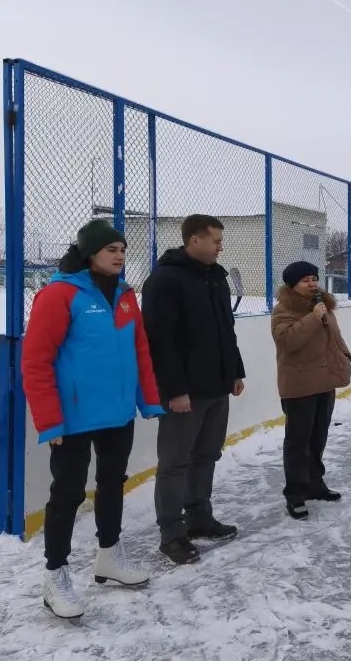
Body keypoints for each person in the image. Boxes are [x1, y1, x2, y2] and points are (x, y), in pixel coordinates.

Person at [21, 219, 164, 620]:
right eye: (110, 250)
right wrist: (50, 421)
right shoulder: (60, 294)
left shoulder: (124, 296)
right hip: (74, 418)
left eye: (121, 249)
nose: (119, 256)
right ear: (89, 254)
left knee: (113, 484)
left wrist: (148, 401)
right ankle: (56, 575)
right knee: (67, 493)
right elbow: (35, 361)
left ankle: (109, 555)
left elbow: (140, 352)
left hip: (117, 414)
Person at [142, 214, 246, 565]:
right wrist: (174, 390)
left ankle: (199, 516)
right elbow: (160, 341)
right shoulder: (165, 280)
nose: (221, 247)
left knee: (207, 455)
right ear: (194, 240)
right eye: (215, 240)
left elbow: (226, 330)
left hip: (217, 387)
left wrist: (235, 371)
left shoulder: (215, 279)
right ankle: (171, 533)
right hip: (184, 393)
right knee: (174, 463)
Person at [271, 261, 351, 520]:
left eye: (314, 278)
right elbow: (288, 341)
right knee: (298, 443)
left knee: (318, 438)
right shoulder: (284, 310)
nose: (312, 283)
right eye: (305, 280)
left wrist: (344, 355)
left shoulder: (322, 307)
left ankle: (315, 484)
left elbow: (334, 337)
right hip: (300, 386)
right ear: (293, 284)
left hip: (324, 382)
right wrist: (313, 317)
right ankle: (295, 494)